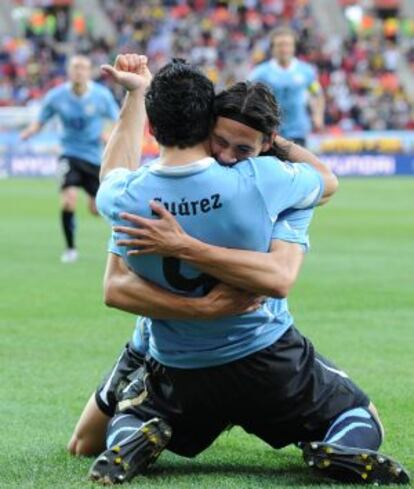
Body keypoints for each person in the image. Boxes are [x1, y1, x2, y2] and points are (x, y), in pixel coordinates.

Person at [86, 55, 408, 485]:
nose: (229, 155)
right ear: (205, 124)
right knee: (358, 414)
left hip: (181, 368)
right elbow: (327, 182)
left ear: (152, 127)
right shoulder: (264, 178)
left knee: (131, 414)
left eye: (241, 147)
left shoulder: (125, 197)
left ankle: (130, 438)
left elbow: (113, 175)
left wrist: (135, 93)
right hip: (266, 357)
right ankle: (341, 448)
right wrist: (275, 144)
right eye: (223, 142)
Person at [21, 55, 119, 263]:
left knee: (96, 209)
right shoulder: (56, 96)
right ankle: (70, 249)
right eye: (75, 67)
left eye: (83, 67)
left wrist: (108, 135)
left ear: (89, 71)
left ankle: (118, 247)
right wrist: (30, 132)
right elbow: (41, 120)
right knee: (68, 200)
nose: (78, 71)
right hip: (69, 154)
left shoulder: (101, 95)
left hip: (93, 158)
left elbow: (117, 120)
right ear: (68, 71)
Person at [249, 26, 325, 146]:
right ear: (272, 48)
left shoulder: (306, 71)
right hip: (270, 132)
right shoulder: (260, 74)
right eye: (280, 45)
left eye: (288, 45)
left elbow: (317, 93)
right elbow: (249, 99)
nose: (284, 49)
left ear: (294, 47)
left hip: (298, 131)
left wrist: (318, 116)